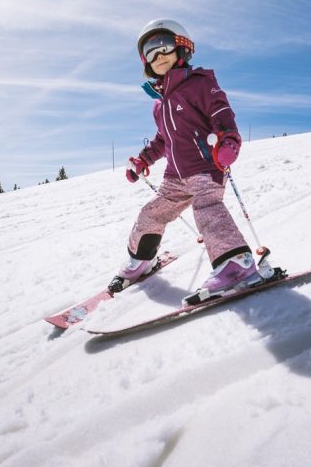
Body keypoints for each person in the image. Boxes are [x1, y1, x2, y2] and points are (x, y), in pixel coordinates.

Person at [109, 18, 260, 302]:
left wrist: (228, 141)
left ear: (182, 47)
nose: (158, 56)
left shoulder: (200, 84)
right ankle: (142, 260)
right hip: (174, 177)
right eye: (150, 52)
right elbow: (162, 140)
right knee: (151, 214)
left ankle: (236, 263)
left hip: (205, 168)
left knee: (207, 210)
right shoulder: (159, 104)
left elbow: (222, 114)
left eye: (162, 46)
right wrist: (142, 162)